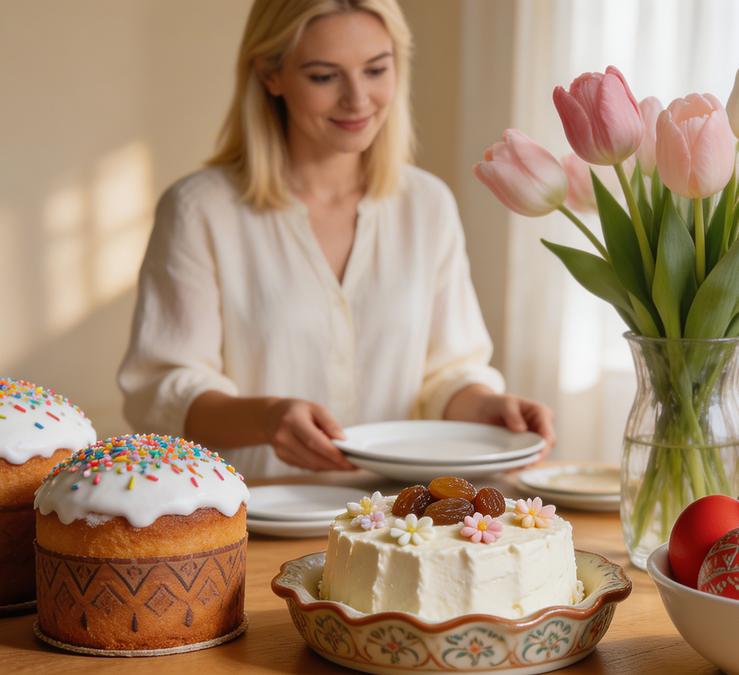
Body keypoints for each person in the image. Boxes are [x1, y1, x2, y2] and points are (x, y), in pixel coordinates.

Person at [118, 0, 555, 478]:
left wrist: (490, 408)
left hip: (396, 524)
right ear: (270, 74)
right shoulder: (199, 209)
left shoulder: (427, 204)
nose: (358, 99)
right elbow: (161, 392)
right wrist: (268, 419)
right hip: (252, 522)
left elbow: (445, 375)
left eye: (375, 70)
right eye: (325, 76)